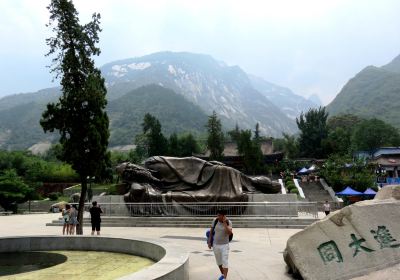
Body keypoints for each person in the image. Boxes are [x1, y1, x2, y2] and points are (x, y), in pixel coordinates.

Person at [207, 209, 233, 280]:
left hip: (225, 245)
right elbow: (211, 231)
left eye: (219, 215)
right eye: (217, 215)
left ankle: (224, 278)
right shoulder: (215, 221)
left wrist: (225, 223)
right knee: (219, 262)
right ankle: (223, 274)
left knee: (225, 262)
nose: (217, 216)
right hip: (216, 245)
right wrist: (209, 241)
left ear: (224, 216)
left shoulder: (229, 222)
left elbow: (229, 233)